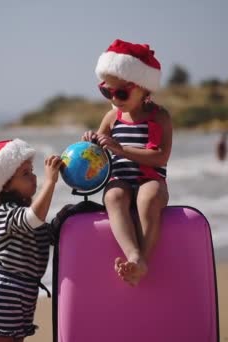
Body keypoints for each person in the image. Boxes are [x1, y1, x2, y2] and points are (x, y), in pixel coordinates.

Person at [82, 39, 172, 286]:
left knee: (149, 197)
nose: (114, 97)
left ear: (144, 88)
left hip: (150, 178)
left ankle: (143, 260)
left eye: (121, 92)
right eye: (106, 91)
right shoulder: (112, 117)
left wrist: (121, 149)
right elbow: (97, 153)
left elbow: (161, 156)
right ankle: (133, 254)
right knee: (113, 198)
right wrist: (92, 142)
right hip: (119, 179)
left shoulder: (160, 116)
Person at [0, 139, 63, 341]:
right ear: (5, 186)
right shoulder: (2, 212)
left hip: (25, 291)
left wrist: (66, 217)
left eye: (32, 171)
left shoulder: (24, 213)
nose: (34, 177)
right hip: (4, 290)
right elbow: (33, 219)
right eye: (25, 174)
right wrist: (51, 182)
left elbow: (49, 234)